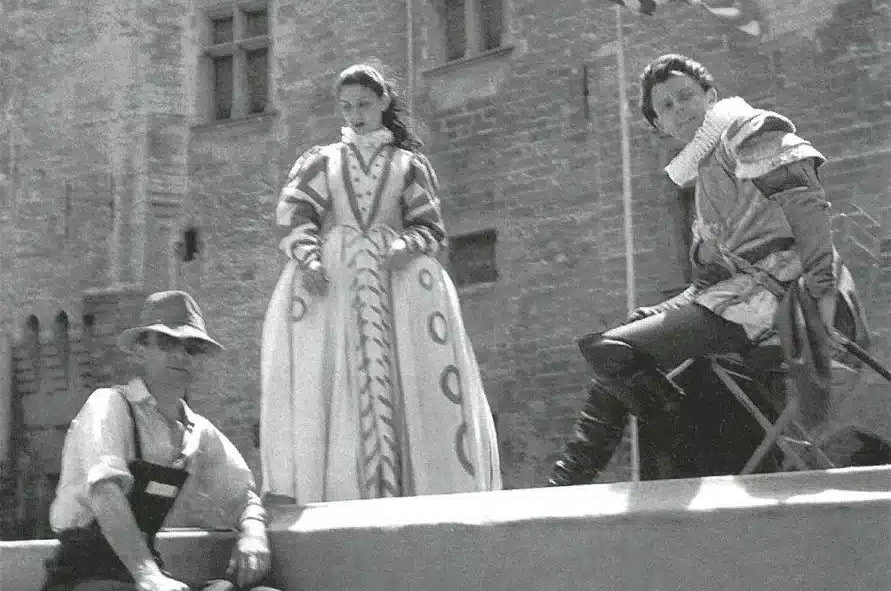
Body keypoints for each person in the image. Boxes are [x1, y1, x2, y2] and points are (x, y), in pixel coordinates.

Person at [549, 53, 869, 484]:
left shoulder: (744, 130)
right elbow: (712, 275)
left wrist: (821, 294)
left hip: (787, 301)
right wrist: (654, 315)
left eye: (686, 97)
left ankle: (673, 441)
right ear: (659, 124)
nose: (679, 110)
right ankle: (568, 480)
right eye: (666, 106)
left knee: (614, 351)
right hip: (738, 298)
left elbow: (806, 206)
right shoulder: (703, 170)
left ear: (711, 96)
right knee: (612, 350)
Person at [39, 291, 322, 591]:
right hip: (80, 583)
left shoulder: (197, 432)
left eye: (190, 349)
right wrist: (150, 578)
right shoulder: (109, 406)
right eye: (167, 344)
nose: (179, 357)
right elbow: (106, 495)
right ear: (141, 350)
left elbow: (246, 496)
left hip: (147, 577)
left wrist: (252, 531)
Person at [261, 61, 501, 502]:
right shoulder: (323, 161)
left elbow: (430, 227)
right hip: (338, 281)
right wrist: (311, 260)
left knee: (408, 377)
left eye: (364, 105)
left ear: (384, 102)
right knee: (337, 379)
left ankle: (412, 486)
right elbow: (298, 217)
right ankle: (341, 489)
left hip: (399, 285)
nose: (355, 115)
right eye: (347, 106)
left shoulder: (409, 165)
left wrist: (406, 245)